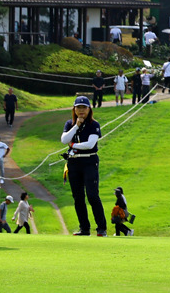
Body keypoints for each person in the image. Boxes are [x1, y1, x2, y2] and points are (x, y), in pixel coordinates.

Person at [62, 95, 108, 236]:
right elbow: (64, 139)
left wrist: (74, 145)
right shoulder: (70, 124)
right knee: (78, 197)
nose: (81, 110)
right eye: (78, 107)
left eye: (84, 108)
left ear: (89, 109)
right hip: (74, 162)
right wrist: (76, 126)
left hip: (89, 161)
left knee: (92, 195)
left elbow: (90, 144)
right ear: (74, 109)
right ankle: (84, 228)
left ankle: (101, 228)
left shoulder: (94, 125)